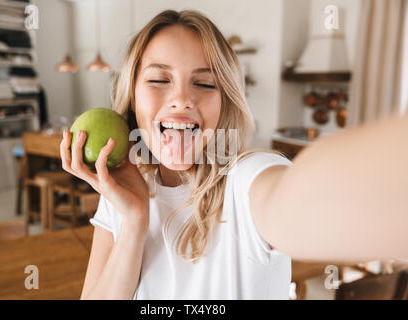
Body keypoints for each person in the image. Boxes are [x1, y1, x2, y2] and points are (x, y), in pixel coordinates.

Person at [60, 10, 408, 300]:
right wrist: (135, 221)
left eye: (205, 83)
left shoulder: (247, 181)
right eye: (158, 80)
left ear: (224, 101)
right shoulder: (121, 195)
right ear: (133, 99)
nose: (182, 98)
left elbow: (299, 197)